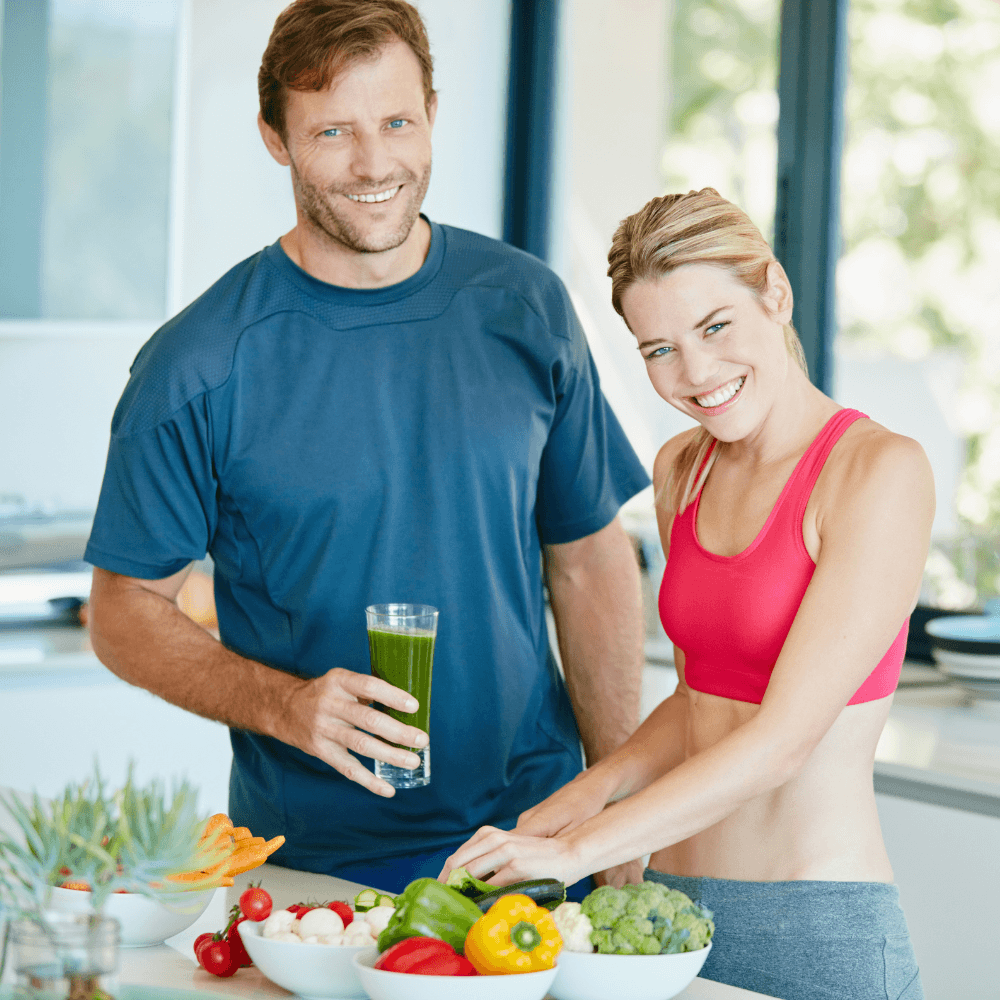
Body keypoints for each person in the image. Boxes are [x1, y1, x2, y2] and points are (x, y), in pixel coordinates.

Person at [85, 0, 650, 895]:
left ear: (432, 111)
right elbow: (120, 612)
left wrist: (622, 810)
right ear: (275, 137)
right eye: (333, 131)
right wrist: (283, 703)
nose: (375, 162)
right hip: (319, 872)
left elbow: (587, 560)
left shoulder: (526, 307)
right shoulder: (199, 364)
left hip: (538, 841)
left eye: (397, 122)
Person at [441, 188, 932, 1000]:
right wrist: (578, 800)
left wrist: (579, 852)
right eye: (658, 349)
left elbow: (782, 740)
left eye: (715, 327)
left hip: (815, 926)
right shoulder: (682, 469)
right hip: (667, 920)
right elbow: (705, 698)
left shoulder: (877, 473)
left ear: (774, 291)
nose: (696, 374)